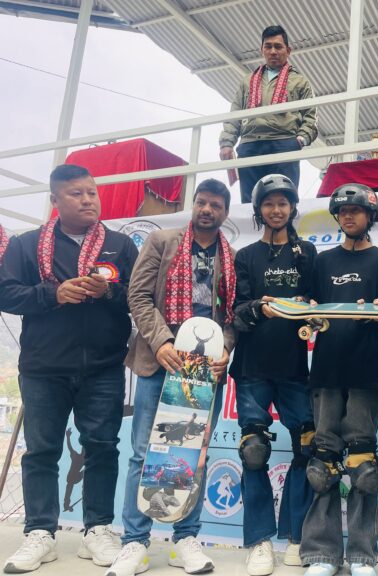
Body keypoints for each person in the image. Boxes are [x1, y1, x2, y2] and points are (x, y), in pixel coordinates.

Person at [0, 164, 138, 573]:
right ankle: (40, 532)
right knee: (42, 451)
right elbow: (6, 294)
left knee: (102, 447)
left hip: (104, 368)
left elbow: (139, 297)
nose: (87, 200)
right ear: (55, 200)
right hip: (43, 368)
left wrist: (109, 291)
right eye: (76, 194)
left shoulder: (119, 244)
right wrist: (54, 293)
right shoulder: (26, 245)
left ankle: (98, 529)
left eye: (91, 192)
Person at [107, 179, 236, 576]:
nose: (207, 210)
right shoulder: (162, 241)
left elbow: (232, 315)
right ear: (193, 205)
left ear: (225, 213)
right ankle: (135, 542)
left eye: (216, 205)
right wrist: (162, 340)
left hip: (203, 368)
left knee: (195, 453)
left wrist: (226, 349)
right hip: (160, 359)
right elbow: (138, 295)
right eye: (202, 202)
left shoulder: (231, 256)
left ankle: (186, 539)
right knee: (144, 453)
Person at [300, 183, 378, 576]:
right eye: (342, 212)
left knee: (363, 467)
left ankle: (361, 556)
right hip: (326, 372)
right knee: (322, 464)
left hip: (366, 372)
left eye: (356, 211)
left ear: (370, 216)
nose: (348, 216)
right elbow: (310, 309)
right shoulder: (323, 261)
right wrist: (308, 312)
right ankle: (321, 555)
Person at [229, 174, 317, 575]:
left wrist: (308, 307)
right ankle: (259, 541)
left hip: (294, 368)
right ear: (258, 209)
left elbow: (318, 303)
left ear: (293, 207)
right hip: (252, 367)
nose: (276, 210)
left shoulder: (307, 253)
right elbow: (236, 310)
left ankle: (298, 535)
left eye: (283, 203)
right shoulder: (246, 255)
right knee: (253, 451)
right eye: (269, 203)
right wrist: (258, 308)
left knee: (307, 448)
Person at [219, 25, 318, 204]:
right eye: (268, 46)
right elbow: (236, 112)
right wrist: (227, 143)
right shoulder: (248, 80)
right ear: (262, 49)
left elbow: (310, 118)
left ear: (288, 50)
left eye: (278, 46)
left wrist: (300, 140)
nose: (273, 51)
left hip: (284, 143)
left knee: (284, 199)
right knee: (250, 202)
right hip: (250, 145)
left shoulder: (300, 82)